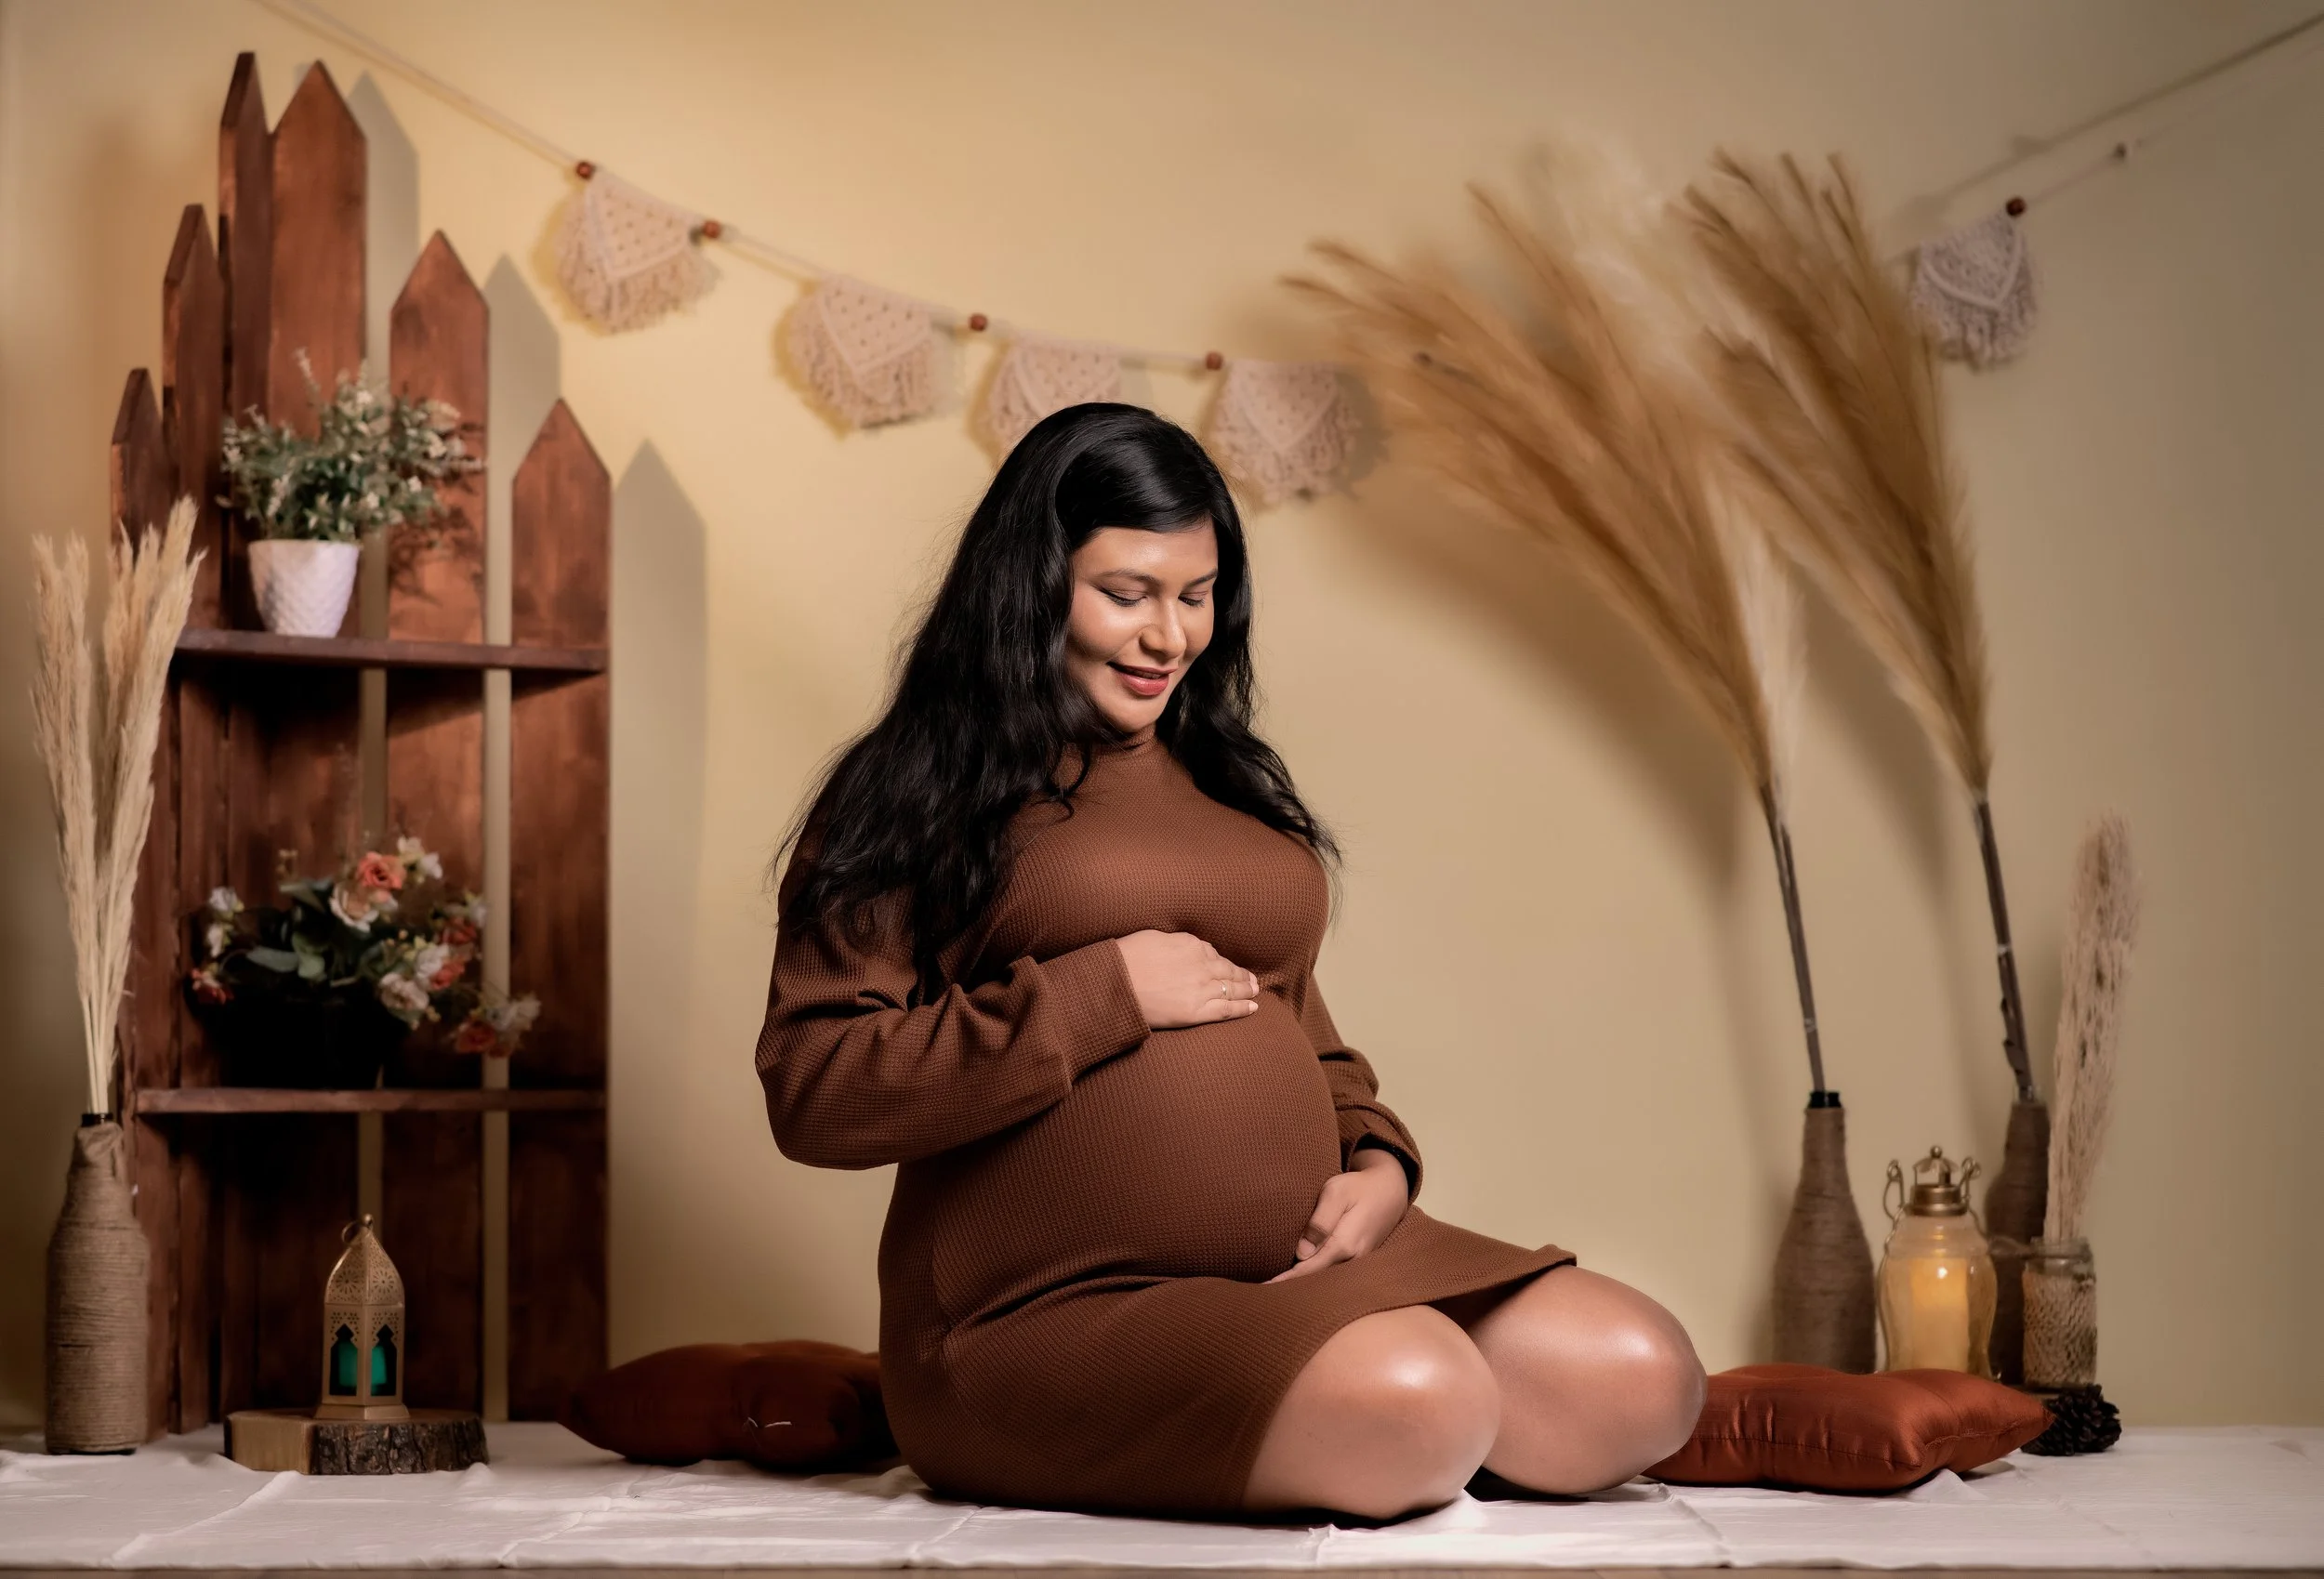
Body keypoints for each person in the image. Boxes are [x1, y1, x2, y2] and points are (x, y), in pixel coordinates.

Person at [755, 403, 1704, 1519]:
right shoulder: (916, 792)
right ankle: (1341, 1421)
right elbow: (816, 1089)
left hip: (1301, 1269)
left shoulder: (1225, 782)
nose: (1169, 637)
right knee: (1421, 1397)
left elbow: (1305, 1032)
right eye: (1127, 593)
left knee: (1639, 1375)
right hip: (1043, 1309)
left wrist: (1379, 1163)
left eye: (1196, 596)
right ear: (1030, 584)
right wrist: (1097, 994)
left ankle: (1327, 1417)